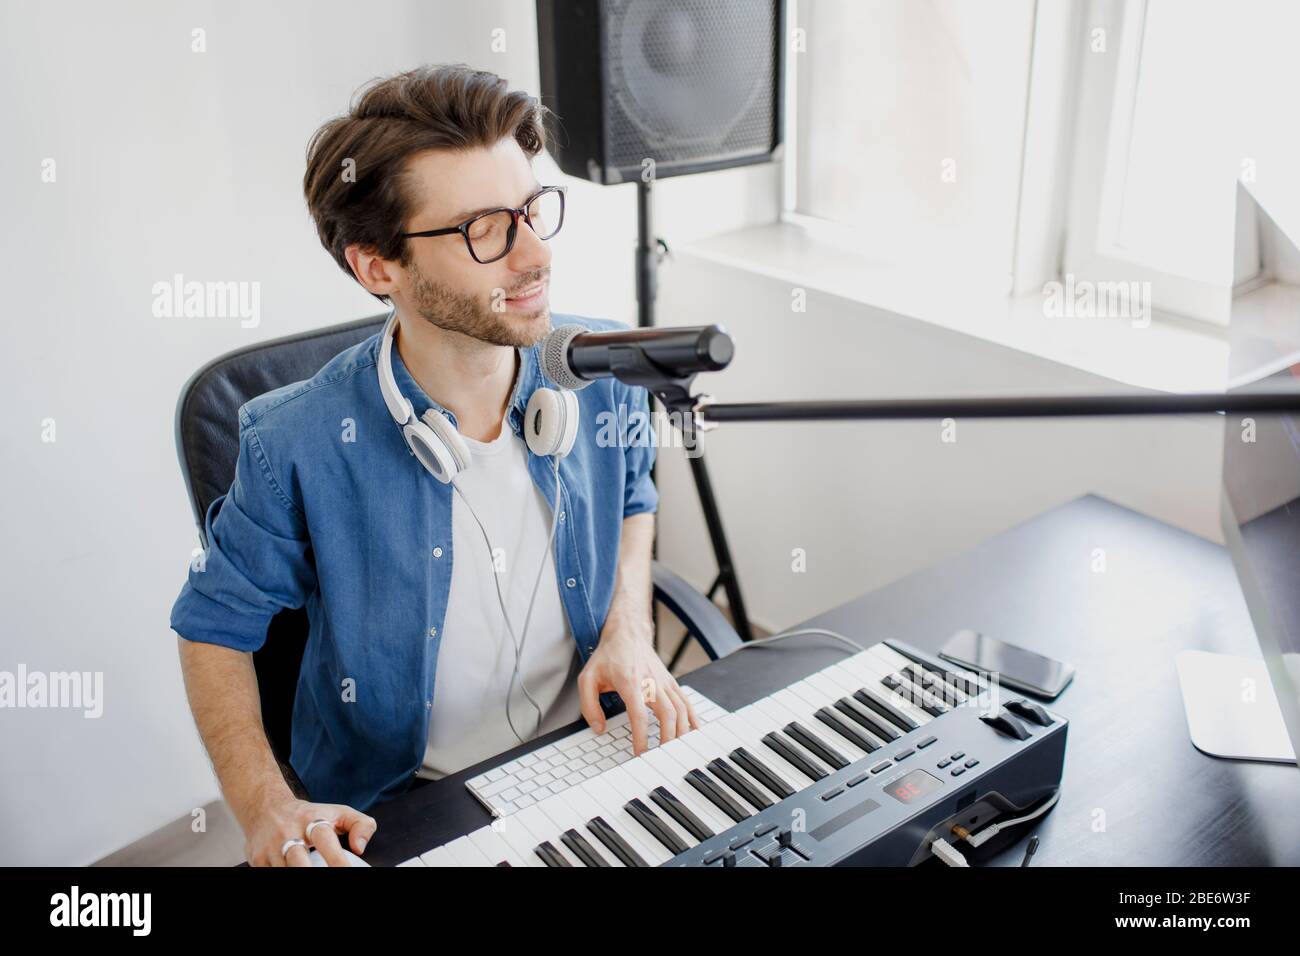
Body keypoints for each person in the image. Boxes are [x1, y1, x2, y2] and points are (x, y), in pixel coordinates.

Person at [169, 64, 698, 867]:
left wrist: (629, 629)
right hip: (405, 809)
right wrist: (267, 807)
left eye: (530, 210)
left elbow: (633, 495)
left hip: (590, 753)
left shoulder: (602, 369)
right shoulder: (295, 443)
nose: (533, 254)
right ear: (378, 266)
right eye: (485, 229)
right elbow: (213, 629)